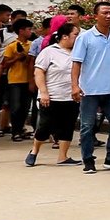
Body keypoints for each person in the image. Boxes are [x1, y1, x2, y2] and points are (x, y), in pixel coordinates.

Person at [71, 1, 110, 172]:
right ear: (96, 15)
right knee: (88, 126)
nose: (109, 16)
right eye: (105, 13)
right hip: (90, 90)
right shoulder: (85, 38)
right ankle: (88, 160)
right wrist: (75, 86)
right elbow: (76, 64)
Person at [27, 23, 79, 167]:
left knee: (67, 126)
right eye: (75, 34)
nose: (78, 38)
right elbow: (39, 72)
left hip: (71, 96)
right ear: (64, 36)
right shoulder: (49, 51)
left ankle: (63, 157)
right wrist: (43, 92)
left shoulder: (78, 52)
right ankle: (34, 151)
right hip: (51, 96)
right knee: (45, 126)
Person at [0, 19, 35, 140]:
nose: (31, 32)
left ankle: (21, 129)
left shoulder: (32, 45)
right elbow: (6, 64)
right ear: (21, 31)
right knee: (16, 107)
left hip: (27, 79)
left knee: (25, 107)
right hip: (15, 80)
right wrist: (18, 57)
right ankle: (16, 131)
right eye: (28, 29)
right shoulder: (11, 46)